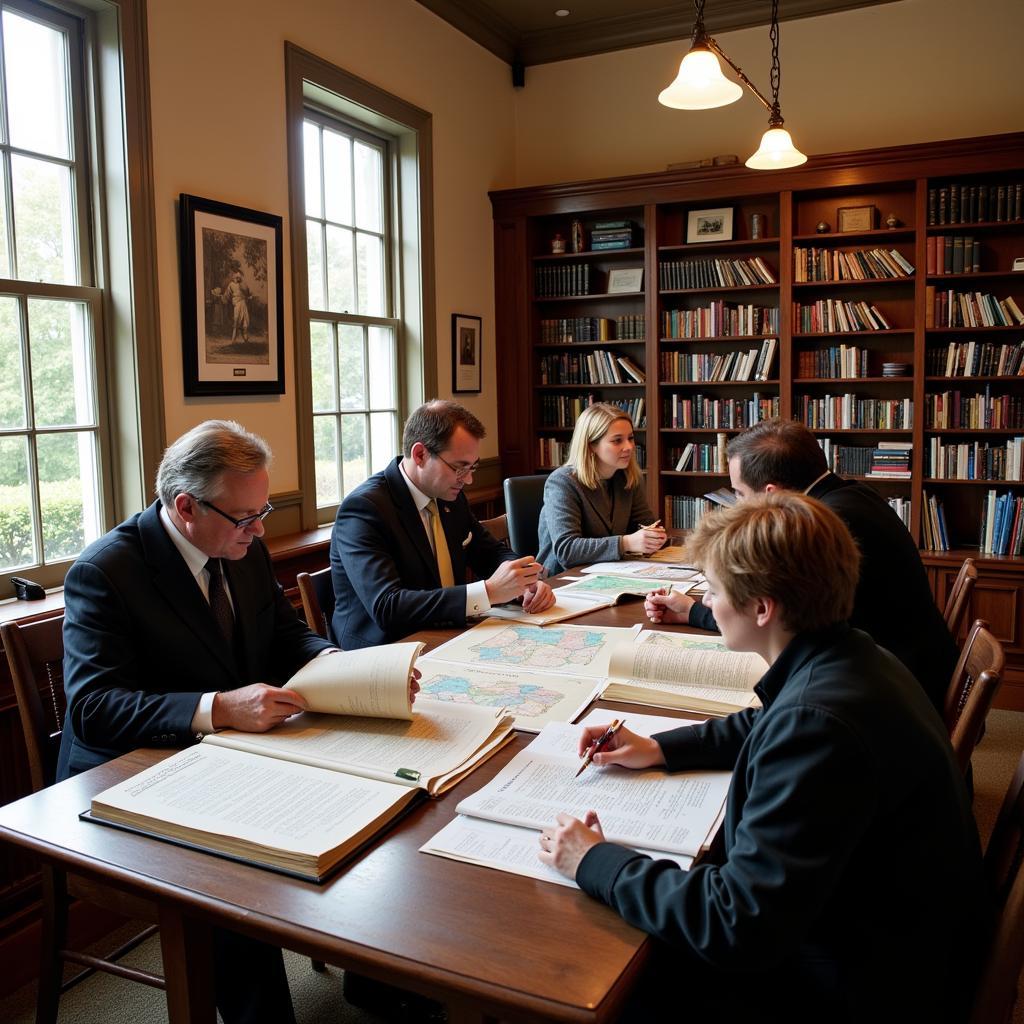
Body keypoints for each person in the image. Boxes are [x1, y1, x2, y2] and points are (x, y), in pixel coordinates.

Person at [540, 493, 985, 1023]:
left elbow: (735, 924)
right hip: (893, 934)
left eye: (714, 589)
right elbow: (767, 723)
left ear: (762, 607)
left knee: (596, 978)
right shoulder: (853, 653)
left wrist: (592, 859)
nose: (708, 601)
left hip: (861, 983)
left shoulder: (819, 723)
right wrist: (660, 746)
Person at [58, 420, 338, 1024]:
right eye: (245, 517)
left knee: (362, 808)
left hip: (224, 758)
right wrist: (217, 708)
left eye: (262, 510)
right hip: (124, 780)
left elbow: (284, 633)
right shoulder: (106, 572)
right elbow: (92, 707)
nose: (260, 529)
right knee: (235, 873)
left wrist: (340, 666)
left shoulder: (241, 547)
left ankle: (387, 979)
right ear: (185, 506)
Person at [646, 418, 957, 712]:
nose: (738, 505)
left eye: (739, 494)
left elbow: (780, 618)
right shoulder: (852, 495)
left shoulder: (817, 527)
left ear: (772, 493)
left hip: (891, 697)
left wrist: (696, 612)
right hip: (900, 669)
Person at [331, 399, 555, 649]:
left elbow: (488, 551)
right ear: (420, 454)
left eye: (473, 468)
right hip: (387, 653)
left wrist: (523, 581)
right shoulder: (364, 509)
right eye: (459, 468)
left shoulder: (450, 496)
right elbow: (387, 606)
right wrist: (490, 591)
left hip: (448, 636)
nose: (468, 480)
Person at [536, 402, 666, 575]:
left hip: (611, 573)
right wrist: (626, 543)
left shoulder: (627, 477)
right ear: (591, 445)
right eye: (617, 440)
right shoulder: (562, 482)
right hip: (561, 580)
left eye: (631, 438)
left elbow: (645, 525)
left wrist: (653, 536)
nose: (628, 447)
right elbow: (567, 550)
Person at [225, 269, 250, 343]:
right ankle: (233, 340)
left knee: (245, 320)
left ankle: (245, 338)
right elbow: (227, 295)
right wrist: (223, 298)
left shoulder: (242, 284)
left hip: (243, 303)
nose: (237, 278)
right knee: (236, 320)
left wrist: (243, 287)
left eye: (239, 277)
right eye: (236, 277)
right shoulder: (231, 285)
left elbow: (247, 292)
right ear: (233, 277)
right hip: (237, 304)